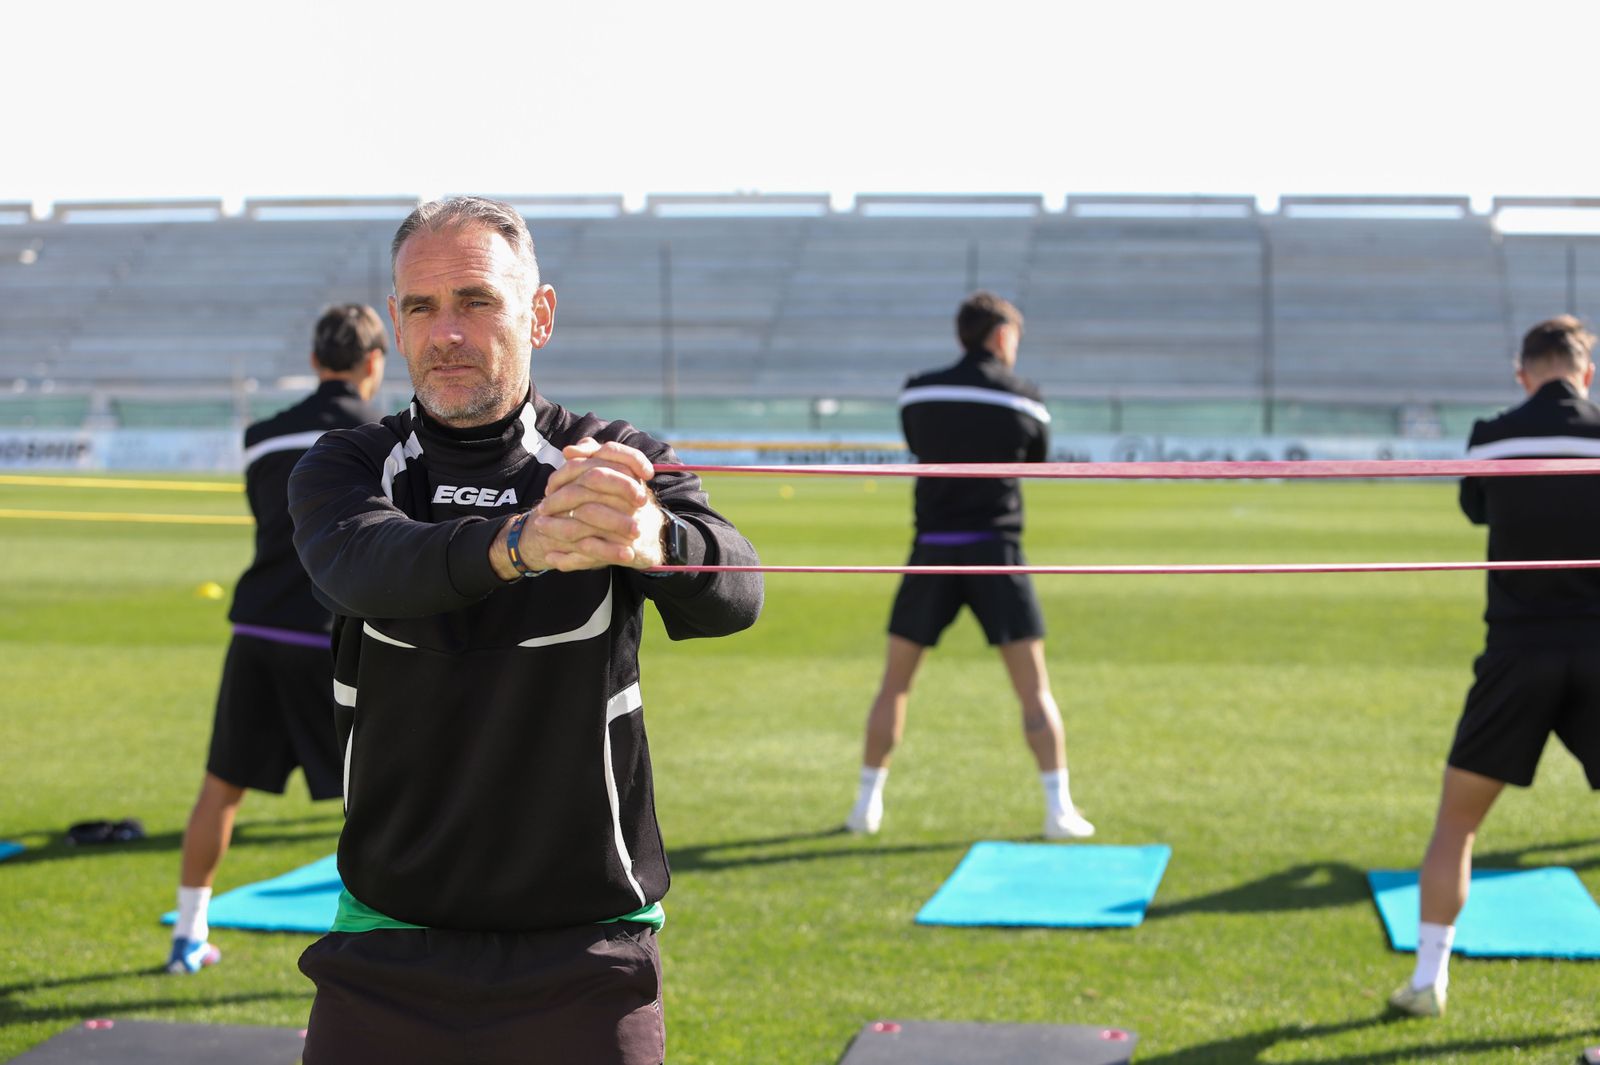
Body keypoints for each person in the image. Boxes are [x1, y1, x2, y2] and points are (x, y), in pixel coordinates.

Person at [285, 196, 763, 1064]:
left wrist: (656, 540)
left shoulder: (610, 455)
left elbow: (738, 588)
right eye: (422, 307)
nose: (447, 333)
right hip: (389, 934)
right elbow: (360, 566)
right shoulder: (348, 464)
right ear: (394, 323)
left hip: (584, 947)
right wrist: (522, 543)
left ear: (538, 315)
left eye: (476, 300)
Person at [1388, 315, 1600, 1018]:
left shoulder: (1493, 434)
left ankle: (1427, 981)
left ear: (1522, 373)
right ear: (1586, 372)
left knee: (1457, 823)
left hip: (1516, 653)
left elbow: (1477, 509)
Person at [166, 304, 386, 975]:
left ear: (318, 360)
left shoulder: (262, 435)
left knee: (220, 789)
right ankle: (385, 951)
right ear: (374, 362)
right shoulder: (384, 437)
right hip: (334, 636)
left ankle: (186, 938)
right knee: (379, 799)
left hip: (257, 628)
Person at [845, 291, 1094, 840]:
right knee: (1033, 689)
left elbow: (918, 442)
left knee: (895, 684)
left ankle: (866, 805)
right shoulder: (1024, 399)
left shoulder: (918, 391)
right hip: (996, 553)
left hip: (931, 549)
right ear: (1001, 336)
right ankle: (1059, 809)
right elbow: (1035, 463)